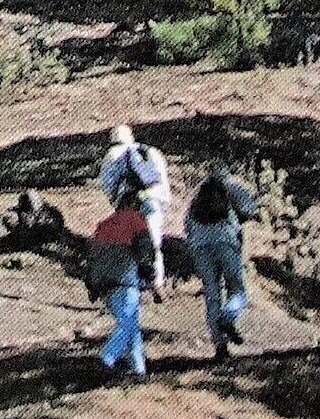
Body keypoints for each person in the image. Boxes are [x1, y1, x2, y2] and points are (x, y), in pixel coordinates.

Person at [87, 177, 160, 383]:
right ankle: (106, 358)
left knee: (131, 324)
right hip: (125, 280)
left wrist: (92, 285)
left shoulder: (103, 225)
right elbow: (145, 252)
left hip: (103, 284)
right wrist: (151, 277)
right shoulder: (136, 220)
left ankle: (139, 371)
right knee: (127, 323)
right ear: (134, 205)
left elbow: (92, 257)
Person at [184, 161, 259, 358]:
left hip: (200, 247)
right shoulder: (231, 187)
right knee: (237, 289)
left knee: (212, 294)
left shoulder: (198, 196)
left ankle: (220, 346)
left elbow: (187, 225)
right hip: (226, 242)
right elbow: (249, 208)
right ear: (226, 172)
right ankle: (228, 316)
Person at [98, 125, 172, 291]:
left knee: (130, 240)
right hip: (156, 199)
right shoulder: (150, 151)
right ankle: (157, 280)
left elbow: (107, 183)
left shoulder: (112, 154)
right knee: (154, 238)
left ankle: (133, 279)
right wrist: (163, 203)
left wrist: (116, 201)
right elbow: (162, 178)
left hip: (131, 202)